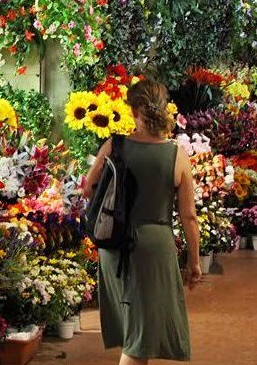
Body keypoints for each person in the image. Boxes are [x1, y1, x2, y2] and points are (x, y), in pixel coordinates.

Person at [83, 79, 203, 365]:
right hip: (152, 247)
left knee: (137, 333)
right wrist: (194, 261)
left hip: (114, 244)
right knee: (139, 340)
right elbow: (188, 216)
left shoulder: (115, 145)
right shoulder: (177, 155)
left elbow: (88, 187)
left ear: (135, 110)